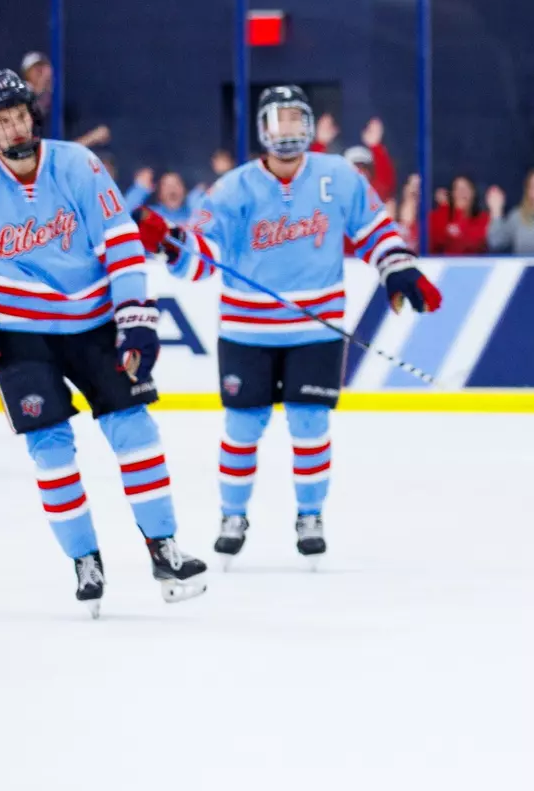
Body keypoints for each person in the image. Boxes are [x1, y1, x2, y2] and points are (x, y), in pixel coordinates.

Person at [136, 85, 442, 566]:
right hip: (246, 331)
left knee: (310, 423)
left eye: (297, 119)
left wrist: (397, 268)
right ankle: (232, 516)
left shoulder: (338, 176)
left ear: (309, 124)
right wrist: (173, 245)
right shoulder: (232, 188)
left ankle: (310, 516)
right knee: (242, 426)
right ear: (262, 129)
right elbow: (203, 259)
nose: (288, 130)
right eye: (279, 120)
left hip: (316, 330)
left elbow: (374, 230)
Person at [0, 69, 206, 614]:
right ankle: (84, 559)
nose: (13, 128)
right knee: (50, 449)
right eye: (1, 121)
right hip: (19, 337)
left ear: (32, 116)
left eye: (18, 115)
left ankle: (163, 548)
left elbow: (121, 242)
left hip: (94, 323)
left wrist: (135, 317)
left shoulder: (77, 164)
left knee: (135, 430)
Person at [428, 175, 491, 255]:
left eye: (465, 189)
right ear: (452, 194)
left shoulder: (483, 219)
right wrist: (445, 208)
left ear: (473, 193)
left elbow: (474, 244)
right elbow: (433, 241)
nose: (461, 193)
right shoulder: (439, 216)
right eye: (457, 189)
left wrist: (458, 233)